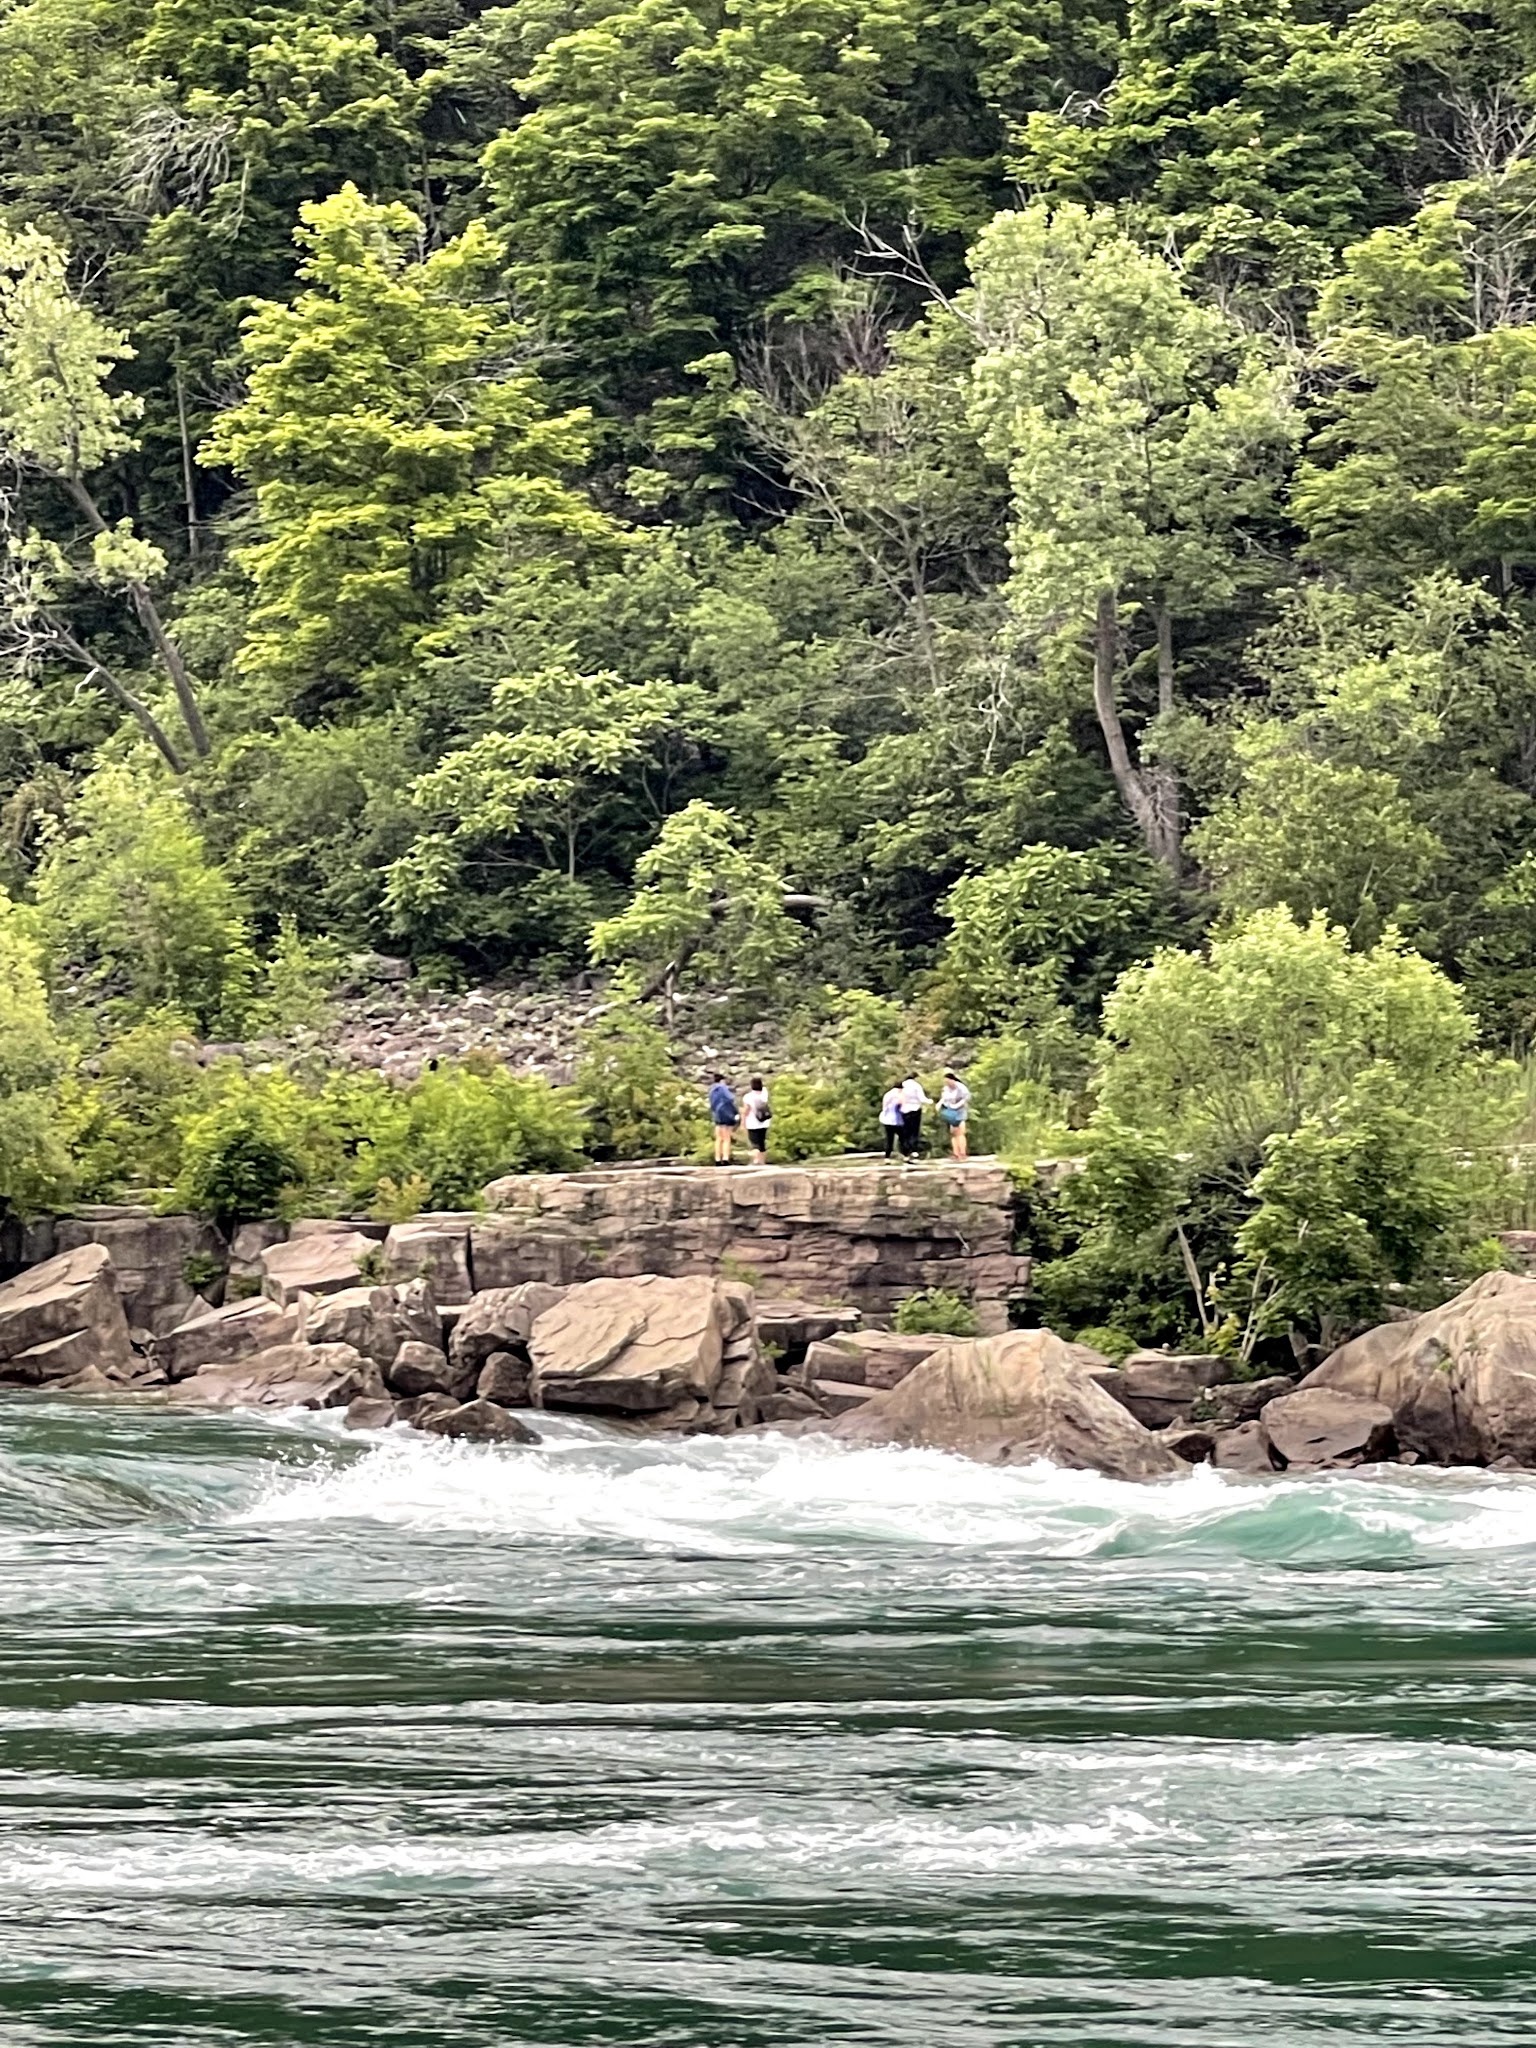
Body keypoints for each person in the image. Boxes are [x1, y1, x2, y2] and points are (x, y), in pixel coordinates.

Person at [939, 1069, 972, 1160]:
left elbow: (966, 1098)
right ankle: (955, 1152)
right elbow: (944, 1098)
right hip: (950, 1111)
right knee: (953, 1132)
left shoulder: (961, 1088)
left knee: (960, 1132)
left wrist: (957, 1105)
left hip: (960, 1111)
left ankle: (962, 1152)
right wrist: (940, 1104)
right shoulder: (946, 1089)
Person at [897, 1073, 930, 1161]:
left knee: (906, 1131)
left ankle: (905, 1151)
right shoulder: (916, 1086)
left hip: (904, 1110)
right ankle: (913, 1150)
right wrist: (930, 1101)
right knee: (914, 1131)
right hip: (915, 1109)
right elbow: (922, 1098)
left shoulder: (902, 1085)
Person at [707, 1074, 739, 1164]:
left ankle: (717, 1159)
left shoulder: (712, 1090)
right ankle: (725, 1158)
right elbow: (730, 1098)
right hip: (726, 1114)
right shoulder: (722, 1088)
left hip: (716, 1115)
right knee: (726, 1138)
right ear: (722, 1080)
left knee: (718, 1138)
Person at [741, 1076, 772, 1163]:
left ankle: (756, 1160)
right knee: (762, 1142)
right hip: (764, 1121)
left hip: (752, 1122)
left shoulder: (748, 1097)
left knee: (755, 1143)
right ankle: (762, 1161)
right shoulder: (764, 1094)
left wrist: (743, 1122)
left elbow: (746, 1110)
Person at [879, 1081, 904, 1159]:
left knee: (889, 1139)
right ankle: (905, 1155)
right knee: (903, 1138)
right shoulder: (899, 1095)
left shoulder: (887, 1094)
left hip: (886, 1119)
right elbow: (901, 1105)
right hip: (897, 1121)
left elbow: (884, 1107)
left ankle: (887, 1157)